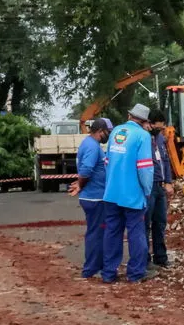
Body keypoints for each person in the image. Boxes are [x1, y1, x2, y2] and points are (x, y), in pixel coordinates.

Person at [101, 104, 156, 283]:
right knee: (136, 233)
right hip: (132, 194)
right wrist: (147, 191)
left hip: (111, 193)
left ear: (129, 115)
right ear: (145, 122)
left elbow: (107, 162)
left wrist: (110, 185)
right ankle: (135, 274)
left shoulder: (116, 131)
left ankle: (109, 273)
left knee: (112, 233)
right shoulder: (143, 136)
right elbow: (145, 168)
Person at [69, 117, 113, 279]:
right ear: (100, 131)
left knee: (97, 232)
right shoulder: (93, 147)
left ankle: (96, 265)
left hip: (94, 196)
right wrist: (81, 185)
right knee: (96, 233)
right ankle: (90, 268)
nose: (108, 135)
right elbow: (86, 170)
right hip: (95, 198)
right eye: (107, 132)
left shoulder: (90, 144)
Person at [145, 108, 174, 268]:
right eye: (159, 127)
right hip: (148, 188)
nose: (161, 130)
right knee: (145, 224)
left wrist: (168, 181)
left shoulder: (161, 139)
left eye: (163, 128)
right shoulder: (143, 140)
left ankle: (160, 257)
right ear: (149, 124)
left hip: (160, 188)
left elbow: (166, 161)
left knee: (160, 223)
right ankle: (145, 258)